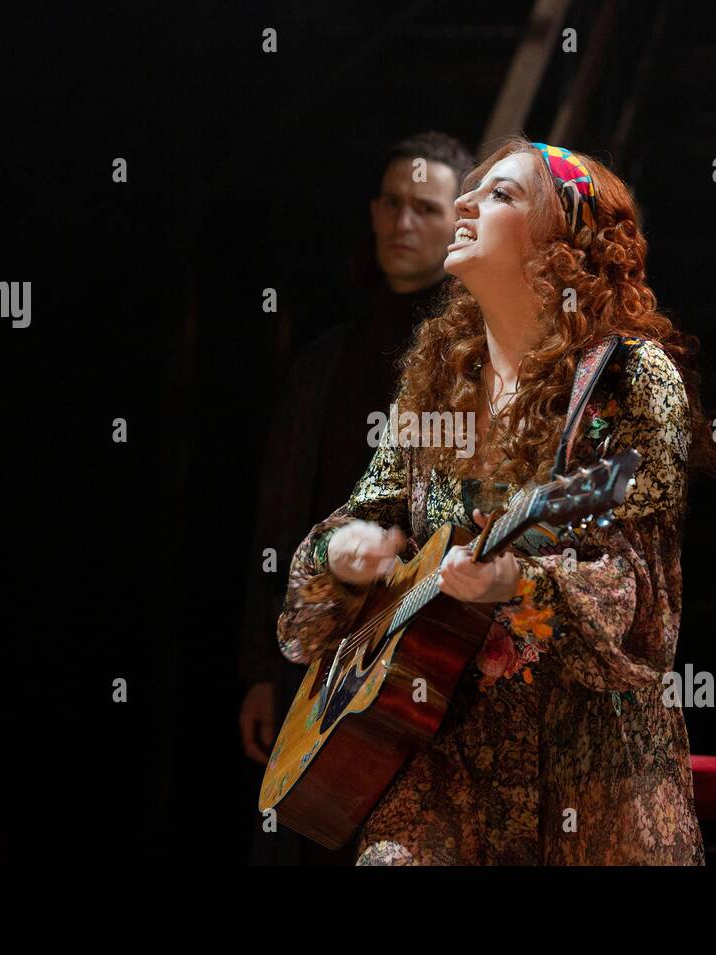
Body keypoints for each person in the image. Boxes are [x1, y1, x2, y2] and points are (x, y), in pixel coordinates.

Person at [275, 136, 714, 865]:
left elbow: (645, 603)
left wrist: (520, 581)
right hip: (443, 746)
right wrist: (345, 550)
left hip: (584, 761)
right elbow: (355, 525)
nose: (466, 204)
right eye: (470, 190)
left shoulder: (631, 381)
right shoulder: (437, 380)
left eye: (500, 194)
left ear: (561, 243)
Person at [237, 131, 474, 864]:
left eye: (425, 208)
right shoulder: (324, 358)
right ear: (373, 211)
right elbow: (279, 520)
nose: (404, 223)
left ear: (458, 220)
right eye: (393, 204)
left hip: (420, 651)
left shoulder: (467, 358)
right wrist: (258, 666)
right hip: (317, 641)